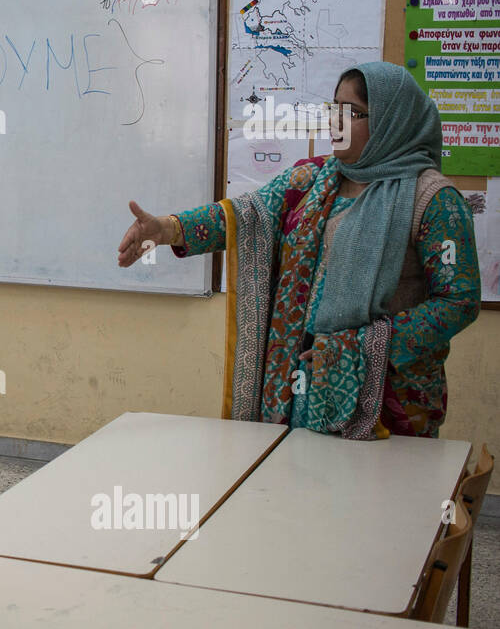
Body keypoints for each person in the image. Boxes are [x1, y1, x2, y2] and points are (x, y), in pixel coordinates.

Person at [117, 61, 480, 439]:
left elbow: (459, 300)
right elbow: (245, 217)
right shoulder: (312, 179)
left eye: (352, 113)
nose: (335, 122)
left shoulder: (433, 200)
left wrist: (360, 348)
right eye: (333, 108)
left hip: (388, 403)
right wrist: (167, 229)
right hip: (299, 391)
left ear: (393, 120)